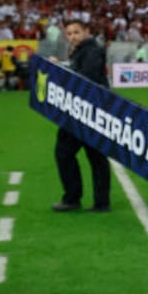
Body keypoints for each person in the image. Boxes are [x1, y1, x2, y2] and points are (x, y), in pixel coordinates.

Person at [51, 19, 111, 212]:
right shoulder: (83, 50)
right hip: (85, 109)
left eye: (76, 32)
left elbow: (87, 77)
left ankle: (73, 198)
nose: (72, 37)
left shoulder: (92, 50)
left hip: (86, 109)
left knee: (66, 152)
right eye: (69, 33)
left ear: (86, 31)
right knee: (95, 156)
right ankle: (99, 201)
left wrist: (61, 69)